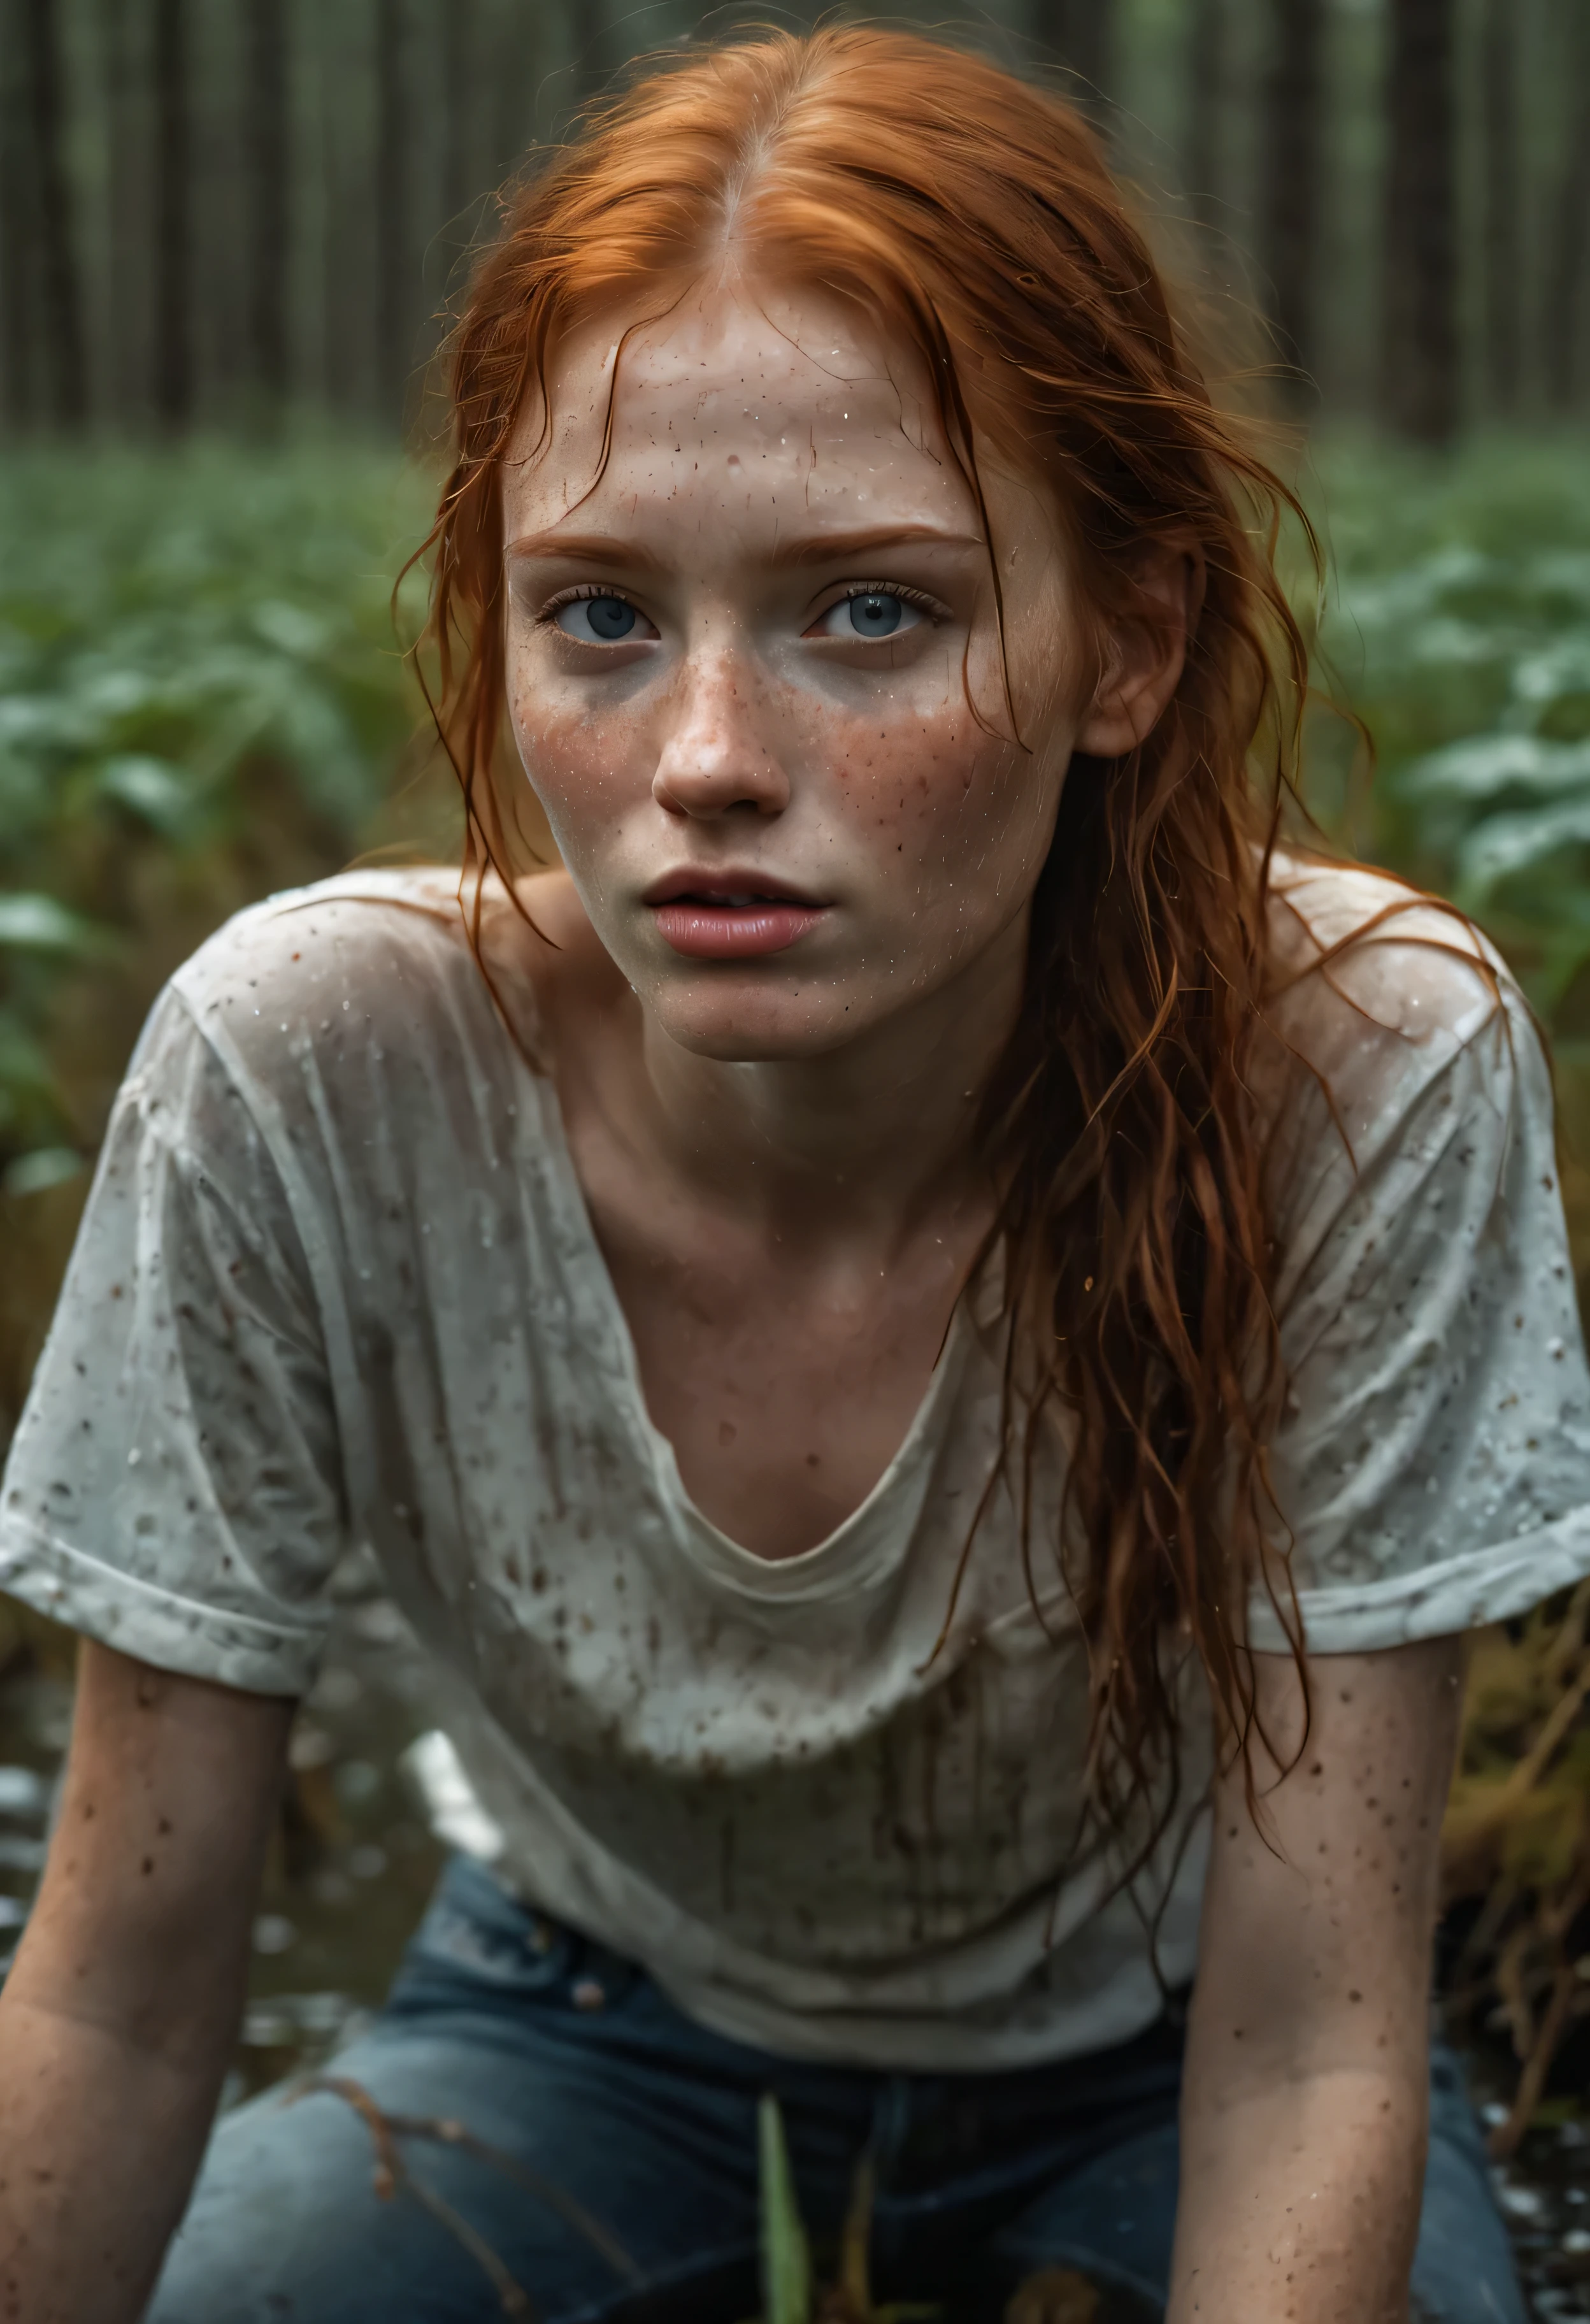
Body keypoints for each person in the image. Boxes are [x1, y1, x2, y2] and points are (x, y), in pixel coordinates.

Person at [0, 28, 1582, 2323]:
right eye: (605, 618)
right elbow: (124, 1991)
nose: (709, 764)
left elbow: (1315, 2021)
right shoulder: (306, 1071)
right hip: (573, 2022)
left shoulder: (1358, 1069)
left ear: (1125, 640)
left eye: (873, 612)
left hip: (1182, 2063)